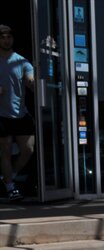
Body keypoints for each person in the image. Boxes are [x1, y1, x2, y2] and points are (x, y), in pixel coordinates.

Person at [0, 25, 35, 202]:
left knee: (28, 149)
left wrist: (32, 83)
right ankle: (10, 188)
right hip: (1, 114)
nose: (6, 40)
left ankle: (9, 176)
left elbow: (31, 78)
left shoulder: (22, 61)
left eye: (9, 37)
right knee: (4, 150)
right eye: (3, 37)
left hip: (20, 113)